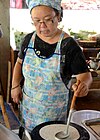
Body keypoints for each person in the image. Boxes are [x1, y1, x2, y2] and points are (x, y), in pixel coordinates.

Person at [11, 0, 92, 132]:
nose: (42, 26)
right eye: (36, 21)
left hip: (55, 115)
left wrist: (83, 85)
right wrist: (15, 86)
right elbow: (19, 63)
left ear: (59, 16)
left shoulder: (68, 46)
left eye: (48, 20)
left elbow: (85, 76)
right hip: (29, 110)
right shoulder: (28, 40)